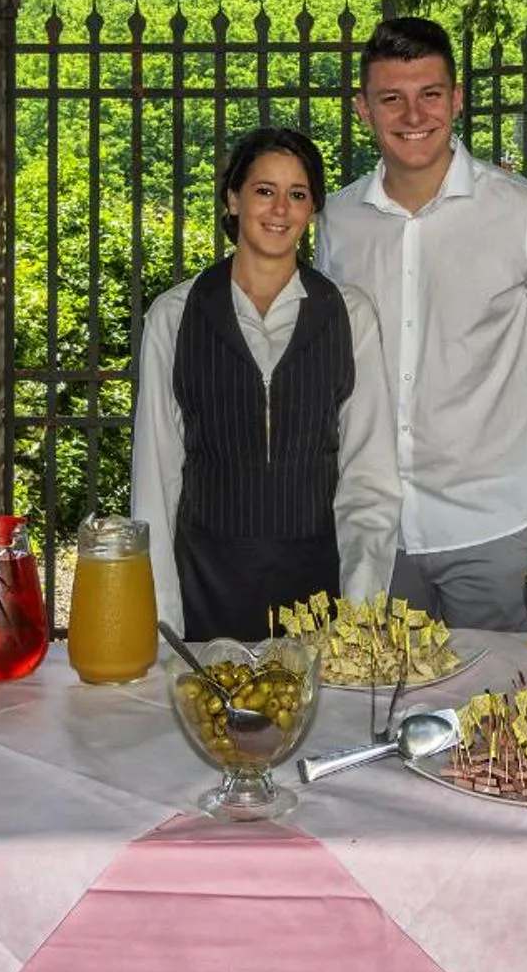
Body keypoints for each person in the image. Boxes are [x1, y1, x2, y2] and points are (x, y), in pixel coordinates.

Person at [315, 17, 527, 631]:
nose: (412, 114)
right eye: (391, 97)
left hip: (500, 527)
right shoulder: (336, 223)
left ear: (457, 99)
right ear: (363, 110)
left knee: (503, 713)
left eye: (429, 94)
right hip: (377, 531)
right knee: (385, 711)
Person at [131, 126, 402, 642]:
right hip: (205, 589)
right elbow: (156, 479)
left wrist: (362, 614)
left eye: (297, 195)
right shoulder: (174, 315)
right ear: (233, 199)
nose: (280, 209)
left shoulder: (350, 315)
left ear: (312, 211)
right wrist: (164, 623)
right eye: (264, 191)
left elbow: (370, 478)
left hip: (319, 592)